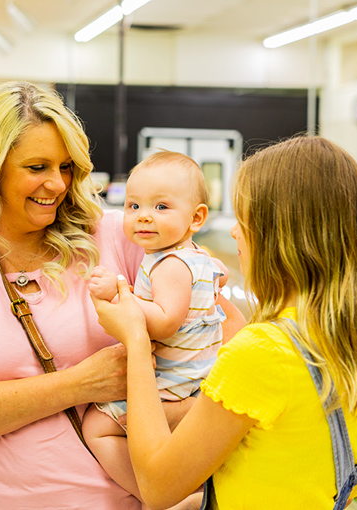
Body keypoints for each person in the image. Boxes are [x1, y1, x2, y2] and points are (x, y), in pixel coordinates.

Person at [0, 81, 245, 510]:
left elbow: (228, 345)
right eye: (37, 167)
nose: (56, 184)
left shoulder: (122, 236)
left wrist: (167, 417)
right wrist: (79, 385)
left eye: (67, 166)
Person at [91, 136, 357, 510]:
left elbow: (157, 489)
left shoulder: (260, 352)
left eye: (245, 219)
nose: (235, 232)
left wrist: (135, 339)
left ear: (282, 233)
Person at [85, 150, 228, 500]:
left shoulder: (171, 264)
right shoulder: (194, 256)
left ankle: (162, 497)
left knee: (97, 427)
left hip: (176, 380)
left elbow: (164, 321)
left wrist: (121, 297)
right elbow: (213, 284)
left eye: (161, 208)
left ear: (196, 218)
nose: (144, 217)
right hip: (194, 374)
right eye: (133, 207)